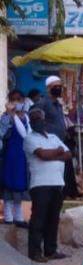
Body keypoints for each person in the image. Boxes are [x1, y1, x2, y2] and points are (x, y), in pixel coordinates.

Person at [23, 109, 71, 262]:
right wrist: (57, 152)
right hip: (40, 184)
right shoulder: (29, 139)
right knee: (38, 219)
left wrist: (52, 155)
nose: (36, 121)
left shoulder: (53, 137)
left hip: (57, 183)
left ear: (44, 120)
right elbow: (42, 155)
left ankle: (50, 250)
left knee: (53, 219)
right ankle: (35, 252)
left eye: (39, 118)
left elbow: (68, 154)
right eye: (33, 119)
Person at [37, 75, 78, 199]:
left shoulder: (58, 105)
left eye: (60, 86)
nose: (59, 89)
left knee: (64, 167)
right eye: (56, 86)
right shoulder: (43, 103)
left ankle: (65, 192)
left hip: (61, 141)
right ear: (48, 88)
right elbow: (36, 120)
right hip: (49, 143)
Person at [0, 90, 31, 227]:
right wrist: (9, 115)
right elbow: (2, 133)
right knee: (9, 183)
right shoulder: (6, 117)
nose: (16, 102)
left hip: (23, 157)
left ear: (23, 100)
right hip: (10, 156)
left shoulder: (26, 118)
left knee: (20, 185)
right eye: (13, 99)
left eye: (19, 99)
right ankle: (8, 216)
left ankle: (19, 217)